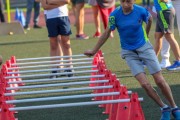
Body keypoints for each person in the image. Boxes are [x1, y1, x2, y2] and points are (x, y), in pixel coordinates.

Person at [84, 0, 180, 119]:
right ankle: (164, 107)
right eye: (123, 2)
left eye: (128, 2)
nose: (125, 5)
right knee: (144, 84)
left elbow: (149, 19)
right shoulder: (114, 15)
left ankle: (174, 107)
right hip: (128, 52)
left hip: (145, 47)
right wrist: (94, 51)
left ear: (133, 1)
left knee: (159, 80)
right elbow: (107, 33)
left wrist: (146, 33)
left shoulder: (141, 11)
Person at [41, 0, 73, 78]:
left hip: (63, 16)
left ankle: (69, 68)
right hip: (51, 18)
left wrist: (50, 2)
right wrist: (59, 3)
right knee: (53, 44)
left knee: (66, 43)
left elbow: (67, 1)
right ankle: (54, 69)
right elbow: (45, 6)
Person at [153, 0, 180, 71]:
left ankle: (179, 61)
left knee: (169, 36)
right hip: (161, 11)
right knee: (158, 35)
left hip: (165, 11)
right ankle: (152, 61)